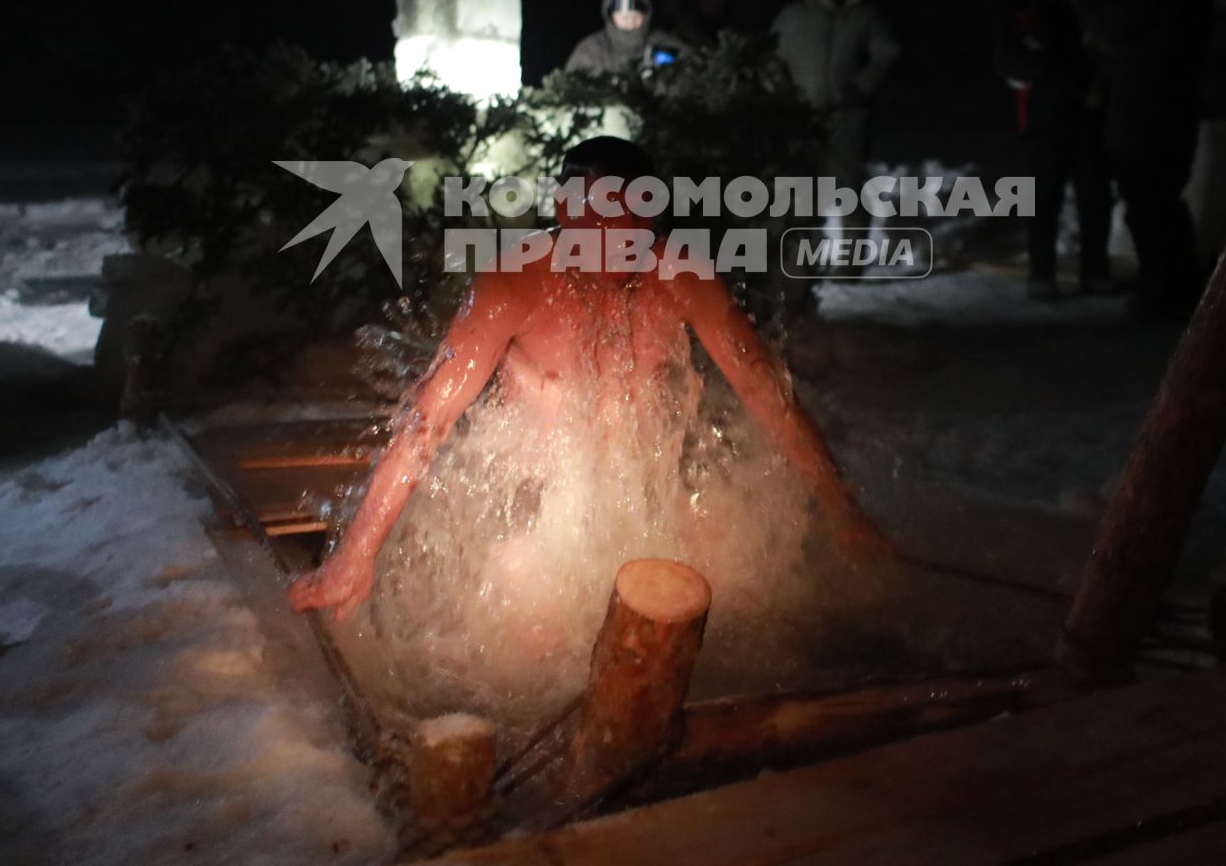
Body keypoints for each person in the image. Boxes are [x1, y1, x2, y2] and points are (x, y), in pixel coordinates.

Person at [288, 136, 888, 620]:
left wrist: (842, 511)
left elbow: (765, 389)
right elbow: (428, 422)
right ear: (564, 211)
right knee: (529, 624)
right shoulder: (512, 285)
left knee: (744, 599)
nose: (617, 247)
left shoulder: (678, 275)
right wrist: (356, 555)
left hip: (647, 502)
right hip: (542, 517)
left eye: (635, 228)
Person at [1106, 0, 1213, 323]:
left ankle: (1160, 292)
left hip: (1143, 115)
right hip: (1174, 113)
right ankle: (1182, 290)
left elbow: (1119, 29)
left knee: (1148, 207)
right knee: (1165, 204)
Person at [996, 0, 1117, 299]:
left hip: (1089, 118)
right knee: (1042, 197)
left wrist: (1100, 83)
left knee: (1095, 195)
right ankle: (1042, 274)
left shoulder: (1091, 5)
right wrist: (1050, 73)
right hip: (1044, 119)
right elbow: (1007, 56)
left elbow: (1111, 50)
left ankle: (1096, 271)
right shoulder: (1027, 9)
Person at [771, 0, 900, 190]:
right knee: (798, 186)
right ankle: (804, 231)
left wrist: (862, 85)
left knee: (849, 186)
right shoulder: (791, 17)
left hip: (847, 116)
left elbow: (887, 51)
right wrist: (783, 92)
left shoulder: (863, 16)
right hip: (801, 115)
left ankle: (852, 231)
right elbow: (770, 57)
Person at [565, 0, 687, 76]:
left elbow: (692, 74)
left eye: (636, 17)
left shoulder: (665, 46)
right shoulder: (591, 51)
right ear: (611, 17)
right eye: (624, 17)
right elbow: (570, 90)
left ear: (646, 17)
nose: (630, 22)